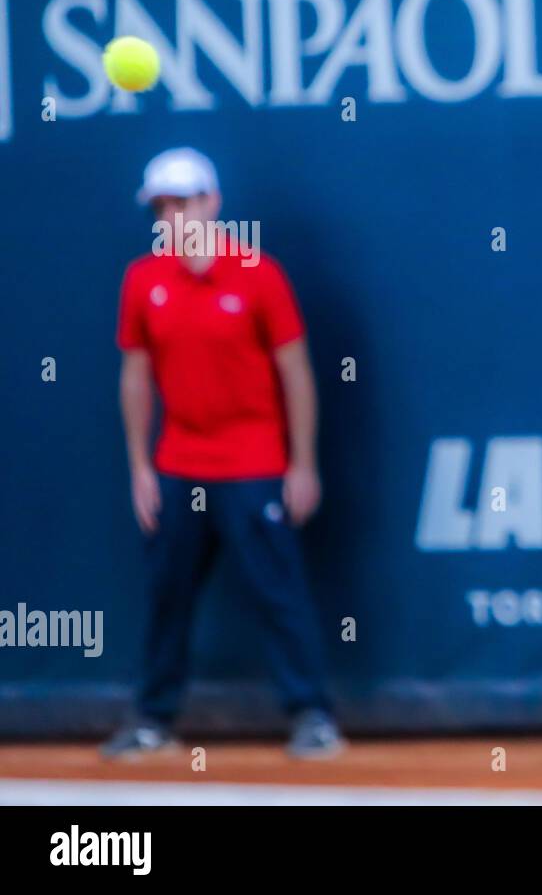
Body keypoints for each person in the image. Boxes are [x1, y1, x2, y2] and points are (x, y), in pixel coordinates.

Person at [101, 147, 344, 760]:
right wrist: (140, 468)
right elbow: (135, 377)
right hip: (179, 464)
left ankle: (312, 716)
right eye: (160, 206)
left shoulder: (259, 273)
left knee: (278, 592)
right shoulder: (142, 281)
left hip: (254, 462)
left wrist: (302, 463)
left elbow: (297, 374)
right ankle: (154, 721)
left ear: (212, 203)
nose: (170, 217)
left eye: (180, 203)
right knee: (167, 597)